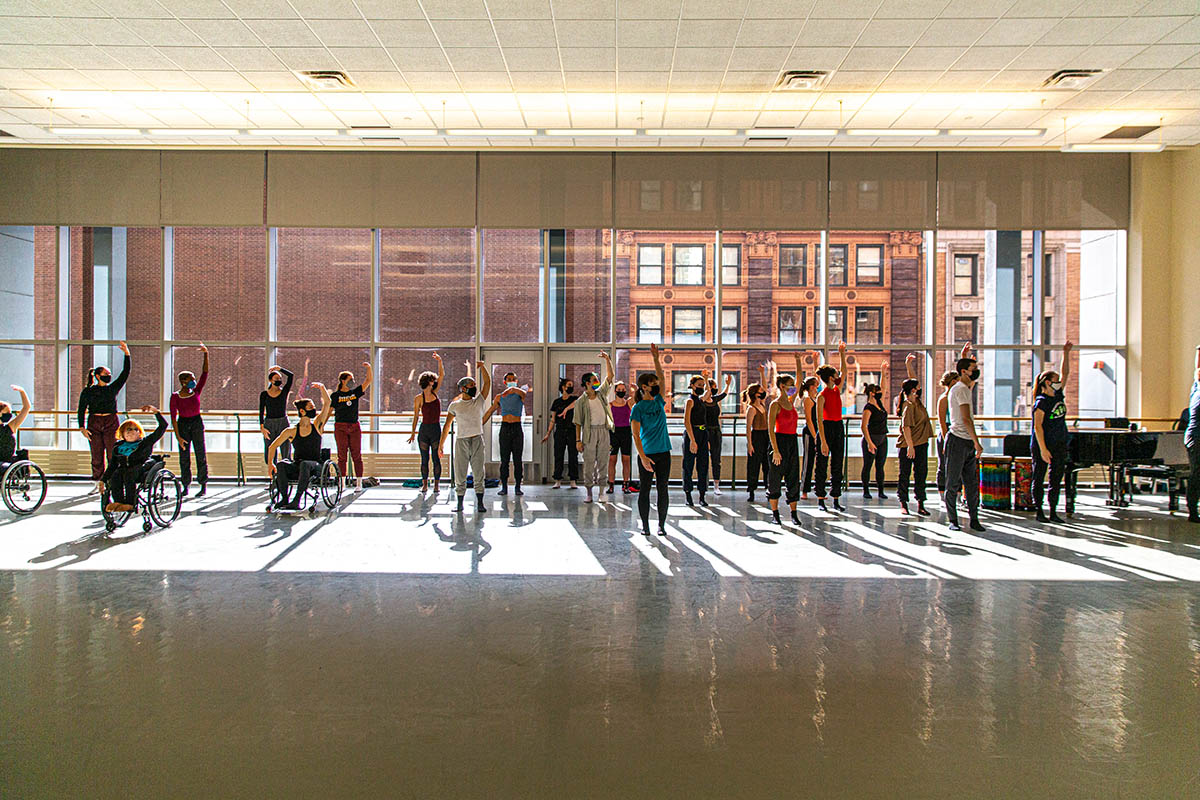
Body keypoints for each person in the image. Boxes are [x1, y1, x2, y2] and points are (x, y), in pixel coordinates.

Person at [267, 383, 333, 512]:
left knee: (305, 464)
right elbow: (272, 446)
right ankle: (285, 498)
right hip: (298, 464)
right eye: (311, 407)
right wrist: (270, 464)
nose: (314, 409)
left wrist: (322, 388)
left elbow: (327, 403)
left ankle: (296, 500)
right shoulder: (291, 431)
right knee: (281, 464)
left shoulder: (317, 425)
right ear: (302, 411)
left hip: (315, 465)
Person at [77, 341, 131, 494]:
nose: (108, 377)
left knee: (111, 452)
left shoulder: (112, 388)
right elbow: (81, 409)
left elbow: (125, 373)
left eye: (109, 375)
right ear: (97, 376)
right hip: (94, 422)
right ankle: (98, 481)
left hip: (110, 421)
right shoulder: (88, 391)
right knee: (96, 454)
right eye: (105, 375)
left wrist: (127, 354)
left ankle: (111, 480)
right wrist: (82, 427)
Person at [439, 362, 491, 514]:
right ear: (463, 388)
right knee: (460, 472)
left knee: (478, 472)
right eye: (471, 385)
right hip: (461, 440)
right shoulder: (455, 406)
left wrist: (482, 367)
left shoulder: (478, 401)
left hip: (477, 440)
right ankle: (460, 503)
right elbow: (447, 425)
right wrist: (441, 445)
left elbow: (487, 383)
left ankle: (480, 503)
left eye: (474, 384)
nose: (474, 387)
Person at [1031, 342, 1074, 523]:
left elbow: (1066, 374)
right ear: (1047, 383)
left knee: (1056, 478)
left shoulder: (1057, 396)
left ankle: (1053, 510)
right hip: (1043, 443)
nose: (1058, 383)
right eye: (1055, 380)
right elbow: (1037, 426)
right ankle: (1039, 509)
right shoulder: (1041, 402)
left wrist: (1066, 353)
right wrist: (1043, 449)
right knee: (1039, 476)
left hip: (1059, 442)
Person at [632, 343, 671, 537]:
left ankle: (661, 526)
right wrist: (643, 457)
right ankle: (645, 526)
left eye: (657, 384)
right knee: (645, 489)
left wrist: (656, 358)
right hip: (647, 454)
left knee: (663, 488)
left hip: (664, 451)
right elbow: (635, 435)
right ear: (644, 387)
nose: (656, 386)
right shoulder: (637, 408)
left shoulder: (659, 401)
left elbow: (663, 379)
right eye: (652, 384)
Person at [943, 352, 985, 532]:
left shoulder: (965, 388)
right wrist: (977, 442)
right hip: (959, 440)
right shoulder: (960, 389)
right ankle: (953, 520)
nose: (976, 372)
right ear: (964, 372)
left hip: (965, 441)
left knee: (971, 483)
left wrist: (965, 356)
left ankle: (973, 518)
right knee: (953, 482)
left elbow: (971, 382)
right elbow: (966, 418)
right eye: (973, 369)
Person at [103, 406, 167, 514]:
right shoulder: (118, 447)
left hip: (141, 467)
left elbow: (162, 427)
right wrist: (103, 480)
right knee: (116, 475)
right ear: (122, 433)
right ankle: (119, 502)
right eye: (128, 429)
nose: (131, 432)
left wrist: (156, 412)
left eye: (135, 429)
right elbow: (112, 465)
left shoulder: (144, 443)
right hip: (124, 468)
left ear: (139, 433)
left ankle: (130, 504)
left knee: (129, 474)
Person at [767, 353, 806, 526]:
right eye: (789, 386)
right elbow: (770, 429)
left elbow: (799, 381)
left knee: (792, 477)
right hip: (779, 441)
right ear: (782, 386)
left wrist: (798, 361)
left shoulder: (791, 401)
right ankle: (775, 513)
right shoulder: (775, 404)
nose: (793, 388)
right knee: (775, 478)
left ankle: (794, 513)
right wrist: (775, 450)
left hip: (792, 441)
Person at [169, 344, 209, 498]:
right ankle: (185, 485)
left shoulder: (196, 391)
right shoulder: (175, 396)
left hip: (196, 422)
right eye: (191, 379)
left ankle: (203, 484)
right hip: (183, 424)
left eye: (193, 378)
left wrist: (206, 354)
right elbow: (173, 417)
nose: (194, 381)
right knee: (184, 457)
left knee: (200, 453)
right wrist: (178, 437)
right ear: (183, 381)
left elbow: (205, 373)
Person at [574, 353, 615, 504]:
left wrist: (607, 359)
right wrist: (578, 440)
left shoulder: (602, 394)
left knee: (603, 461)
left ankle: (602, 491)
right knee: (589, 462)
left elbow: (610, 377)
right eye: (593, 380)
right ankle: (589, 492)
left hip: (603, 431)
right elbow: (578, 422)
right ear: (586, 383)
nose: (597, 382)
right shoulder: (580, 402)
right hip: (589, 433)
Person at [896, 354, 933, 517]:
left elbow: (913, 379)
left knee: (921, 474)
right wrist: (910, 445)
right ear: (913, 390)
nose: (920, 388)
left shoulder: (917, 402)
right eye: (917, 387)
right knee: (904, 474)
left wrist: (908, 364)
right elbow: (906, 427)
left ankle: (920, 503)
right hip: (909, 445)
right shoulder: (908, 405)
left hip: (921, 443)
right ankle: (903, 503)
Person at [814, 343, 848, 512]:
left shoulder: (836, 390)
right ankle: (821, 498)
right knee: (822, 464)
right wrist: (823, 441)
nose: (838, 375)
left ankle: (835, 498)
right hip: (826, 428)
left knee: (837, 463)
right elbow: (819, 419)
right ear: (830, 377)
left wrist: (842, 354)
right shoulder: (822, 396)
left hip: (838, 427)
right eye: (835, 374)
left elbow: (845, 372)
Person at [935, 343, 972, 498]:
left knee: (961, 465)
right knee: (945, 465)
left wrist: (965, 357)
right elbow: (942, 421)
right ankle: (944, 493)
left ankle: (959, 492)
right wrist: (946, 439)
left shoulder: (958, 394)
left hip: (960, 433)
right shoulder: (944, 399)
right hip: (949, 434)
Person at [331, 361, 373, 491]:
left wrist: (369, 368)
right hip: (340, 426)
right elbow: (330, 410)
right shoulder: (336, 395)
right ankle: (342, 483)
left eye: (353, 380)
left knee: (357, 455)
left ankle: (359, 483)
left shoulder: (355, 393)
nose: (352, 382)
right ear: (343, 381)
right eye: (350, 380)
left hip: (354, 426)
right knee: (342, 456)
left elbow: (368, 381)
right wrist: (321, 424)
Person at [484, 371, 526, 496]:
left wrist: (513, 388)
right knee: (504, 460)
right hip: (505, 428)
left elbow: (523, 393)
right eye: (509, 379)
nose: (511, 380)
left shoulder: (519, 394)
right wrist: (479, 423)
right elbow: (490, 411)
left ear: (516, 381)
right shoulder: (499, 397)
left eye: (513, 379)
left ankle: (518, 486)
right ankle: (504, 487)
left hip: (517, 428)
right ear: (504, 382)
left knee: (518, 459)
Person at [408, 353, 444, 494]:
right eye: (432, 380)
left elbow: (442, 375)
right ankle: (424, 484)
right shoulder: (419, 398)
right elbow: (416, 417)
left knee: (436, 458)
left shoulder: (435, 392)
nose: (434, 382)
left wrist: (439, 361)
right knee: (424, 459)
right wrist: (412, 432)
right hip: (425, 430)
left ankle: (436, 485)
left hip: (435, 428)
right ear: (429, 382)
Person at [682, 372, 713, 506]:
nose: (701, 387)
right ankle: (688, 495)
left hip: (702, 433)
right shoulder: (690, 401)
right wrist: (692, 440)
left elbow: (709, 393)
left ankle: (702, 495)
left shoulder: (701, 400)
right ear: (692, 386)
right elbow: (686, 421)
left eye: (702, 385)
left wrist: (706, 379)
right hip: (692, 433)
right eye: (699, 385)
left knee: (703, 465)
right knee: (688, 465)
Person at [542, 377, 579, 489]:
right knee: (558, 455)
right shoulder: (556, 402)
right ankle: (557, 480)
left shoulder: (574, 399)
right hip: (560, 431)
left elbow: (579, 401)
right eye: (569, 385)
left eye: (572, 385)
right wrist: (548, 433)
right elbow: (553, 419)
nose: (571, 387)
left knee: (573, 455)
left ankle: (573, 480)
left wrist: (566, 409)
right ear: (563, 387)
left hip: (572, 430)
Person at [259, 364, 295, 465]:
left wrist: (279, 369)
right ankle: (272, 473)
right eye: (276, 378)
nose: (278, 380)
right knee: (270, 448)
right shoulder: (264, 394)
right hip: (269, 423)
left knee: (285, 448)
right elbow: (261, 410)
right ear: (270, 380)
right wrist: (262, 427)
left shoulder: (284, 392)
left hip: (282, 421)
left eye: (280, 378)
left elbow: (291, 376)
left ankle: (285, 471)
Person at [703, 374, 733, 495]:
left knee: (716, 459)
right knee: (704, 460)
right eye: (714, 386)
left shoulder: (714, 400)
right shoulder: (702, 401)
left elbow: (724, 394)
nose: (715, 389)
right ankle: (703, 485)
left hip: (716, 432)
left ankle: (716, 485)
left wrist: (728, 384)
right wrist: (705, 379)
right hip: (706, 432)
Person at [859, 382, 888, 500]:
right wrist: (869, 442)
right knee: (868, 465)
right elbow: (863, 426)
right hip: (872, 438)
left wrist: (883, 372)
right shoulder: (868, 407)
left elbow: (884, 387)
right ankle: (866, 490)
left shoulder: (879, 404)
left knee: (880, 466)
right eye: (878, 392)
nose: (881, 394)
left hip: (882, 438)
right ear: (872, 393)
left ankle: (881, 490)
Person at [743, 380, 770, 503]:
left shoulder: (762, 405)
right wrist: (750, 444)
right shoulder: (752, 408)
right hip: (757, 436)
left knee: (767, 464)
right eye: (760, 392)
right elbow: (748, 427)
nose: (763, 393)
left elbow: (765, 389)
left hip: (766, 435)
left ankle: (768, 487)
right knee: (754, 465)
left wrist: (762, 374)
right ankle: (752, 490)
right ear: (755, 394)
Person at [607, 380, 635, 494]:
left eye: (623, 390)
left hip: (626, 432)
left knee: (626, 460)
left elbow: (636, 398)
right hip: (614, 432)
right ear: (615, 391)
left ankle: (625, 484)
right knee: (612, 459)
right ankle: (611, 485)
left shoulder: (628, 403)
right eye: (619, 390)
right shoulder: (610, 405)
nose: (621, 391)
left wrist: (635, 389)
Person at [0, 385, 32, 467]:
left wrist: (22, 391)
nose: (9, 415)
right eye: (7, 413)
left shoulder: (10, 427)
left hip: (7, 462)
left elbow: (26, 408)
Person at [800, 374, 820, 500]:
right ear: (812, 387)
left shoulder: (815, 398)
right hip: (810, 433)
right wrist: (814, 436)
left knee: (818, 461)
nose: (818, 388)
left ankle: (818, 488)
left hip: (817, 432)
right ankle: (804, 489)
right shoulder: (808, 399)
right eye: (816, 386)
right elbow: (809, 419)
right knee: (808, 461)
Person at [1187, 344, 1200, 524]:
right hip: (1197, 437)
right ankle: (1192, 511)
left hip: (1195, 437)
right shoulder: (1197, 388)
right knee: (1197, 474)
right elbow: (1197, 370)